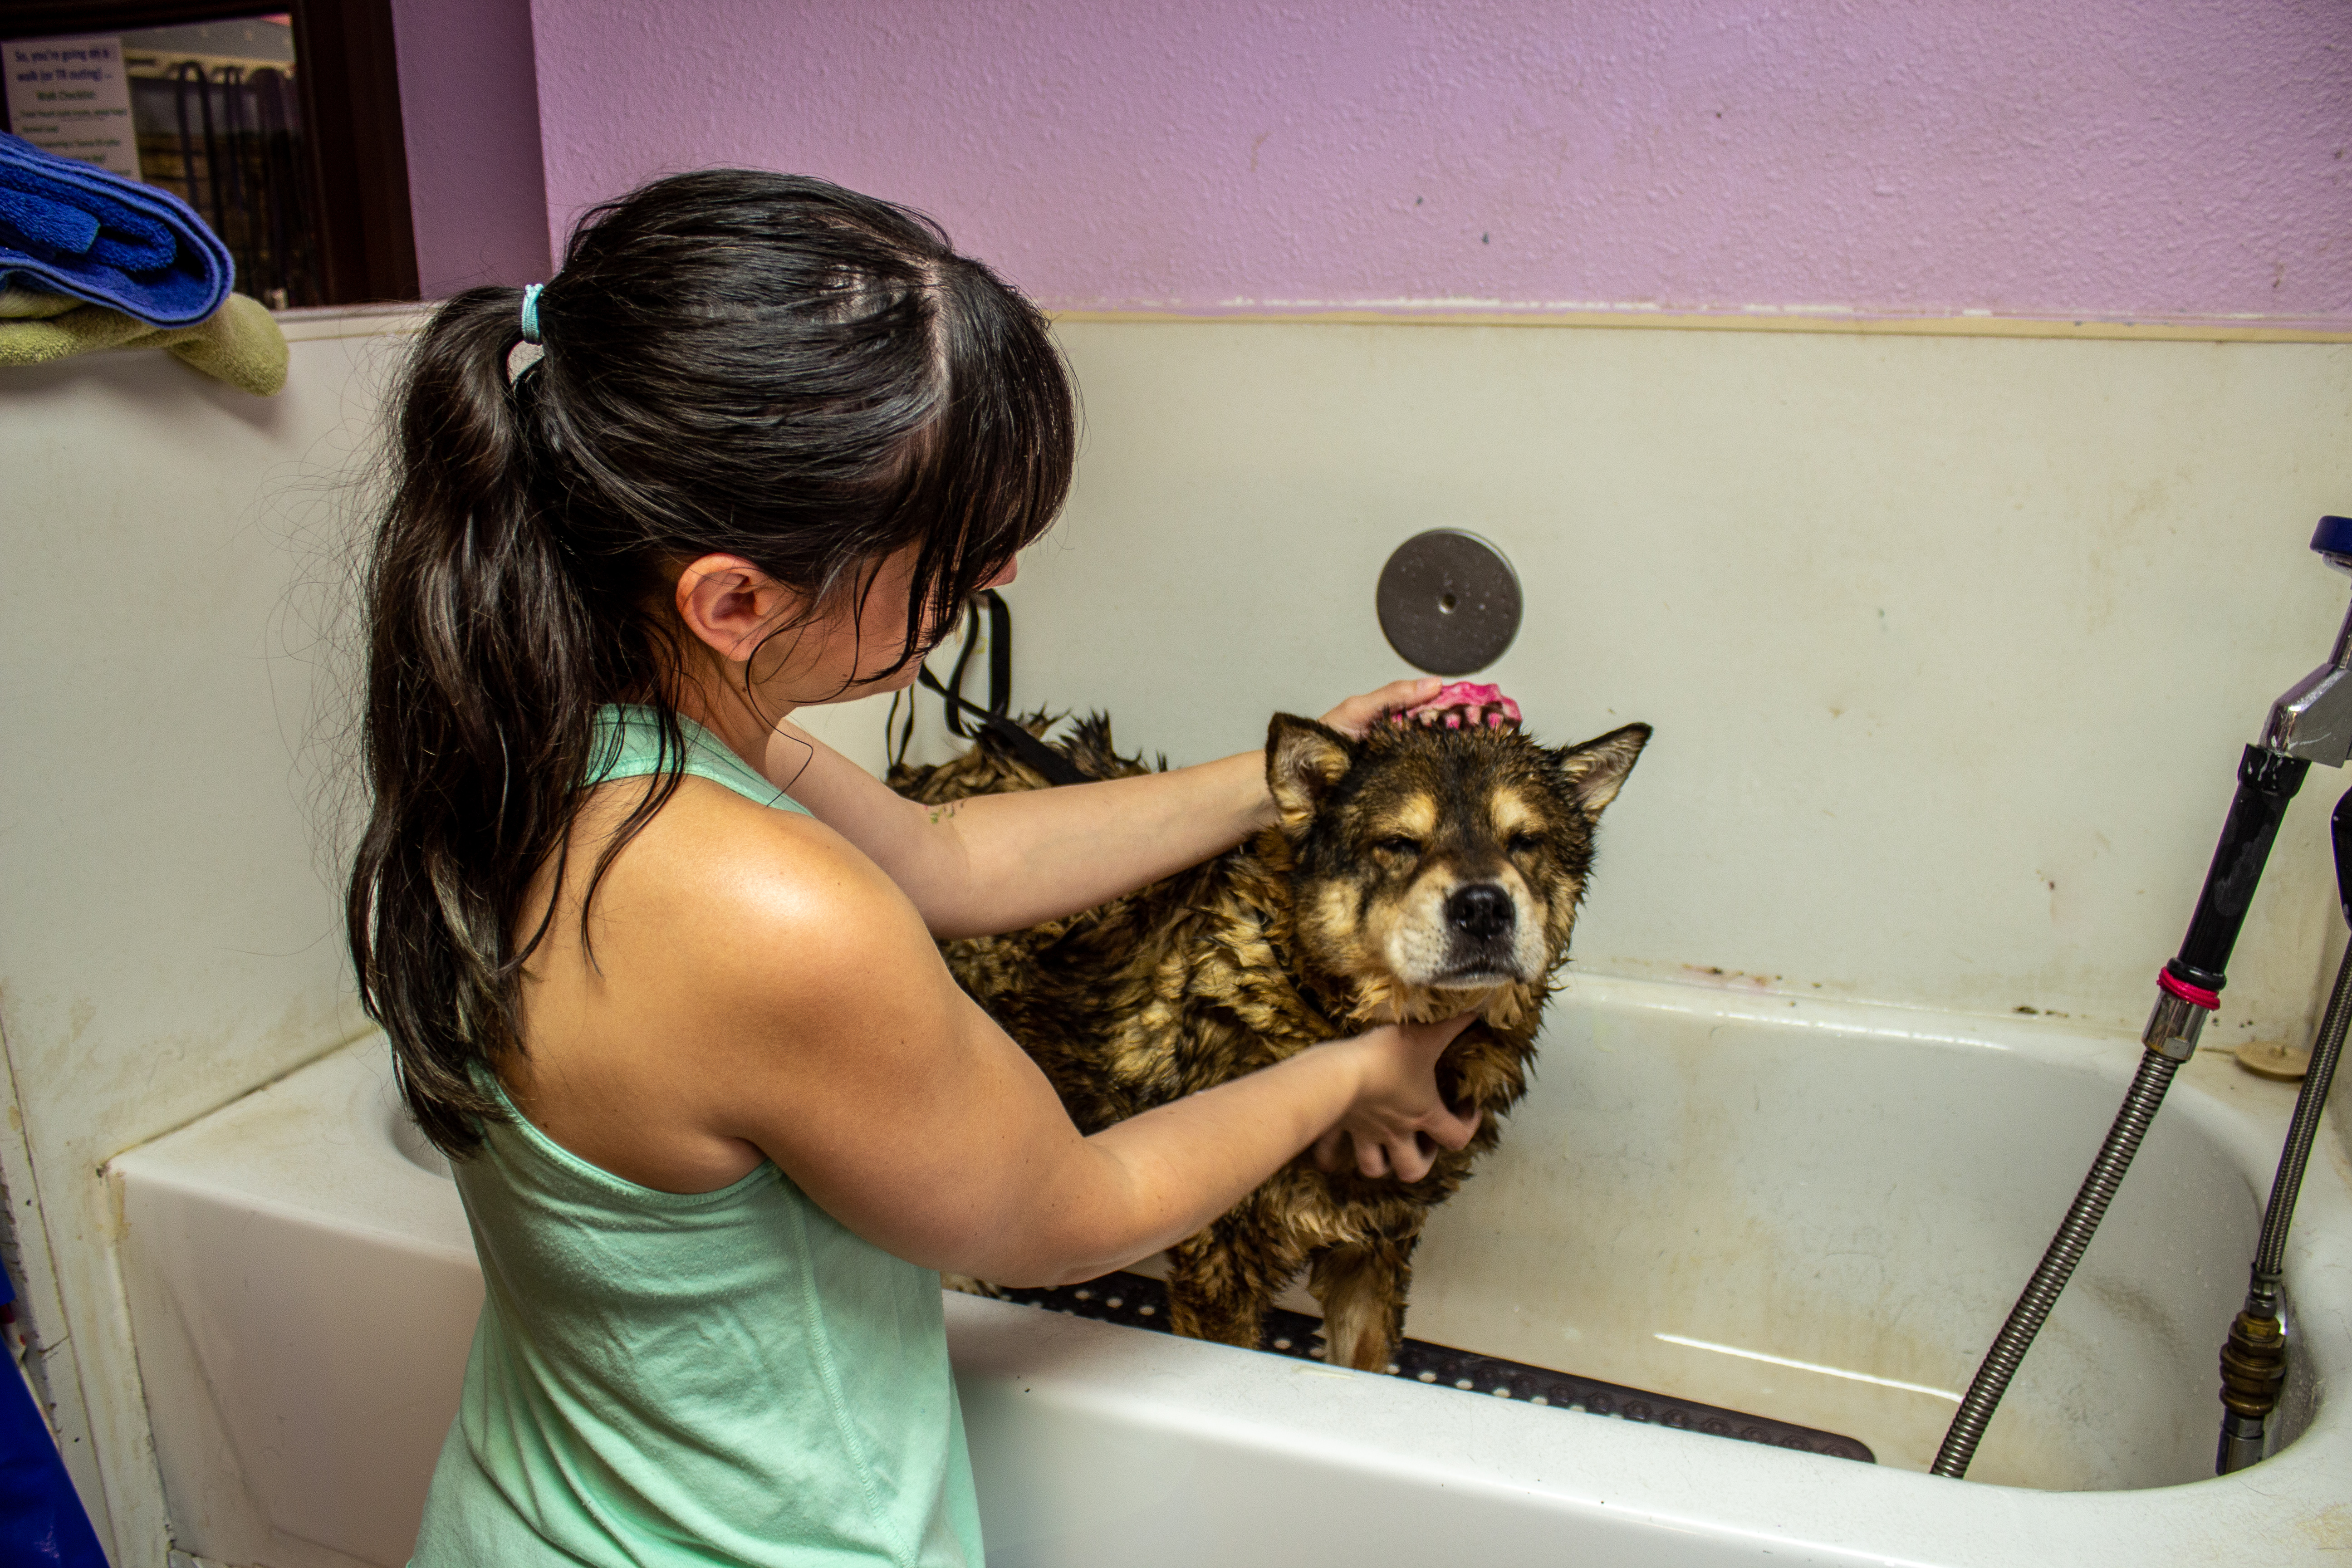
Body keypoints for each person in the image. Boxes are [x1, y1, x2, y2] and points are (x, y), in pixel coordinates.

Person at [347, 170, 1478, 1568]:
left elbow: (945, 856)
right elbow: (1073, 1214)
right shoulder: (766, 914)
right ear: (735, 598)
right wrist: (1352, 1072)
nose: (991, 578)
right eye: (947, 563)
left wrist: (1289, 782)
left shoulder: (539, 736)